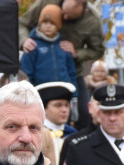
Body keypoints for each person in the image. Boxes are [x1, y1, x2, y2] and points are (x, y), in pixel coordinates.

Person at [19, 0, 105, 129]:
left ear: (83, 9)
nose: (63, 17)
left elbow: (98, 49)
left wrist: (77, 53)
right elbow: (22, 23)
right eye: (62, 13)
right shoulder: (46, 3)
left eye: (68, 16)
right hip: (41, 80)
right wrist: (24, 40)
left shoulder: (92, 20)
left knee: (84, 115)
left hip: (71, 73)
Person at [20, 5, 79, 92]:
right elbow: (26, 74)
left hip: (64, 93)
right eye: (45, 22)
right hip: (40, 93)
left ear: (58, 26)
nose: (48, 26)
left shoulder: (64, 46)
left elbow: (72, 74)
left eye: (52, 23)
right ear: (39, 24)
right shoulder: (32, 45)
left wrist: (74, 94)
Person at [36, 82, 77, 164]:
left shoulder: (73, 134)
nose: (64, 110)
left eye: (66, 105)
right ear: (44, 109)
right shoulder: (36, 133)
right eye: (58, 105)